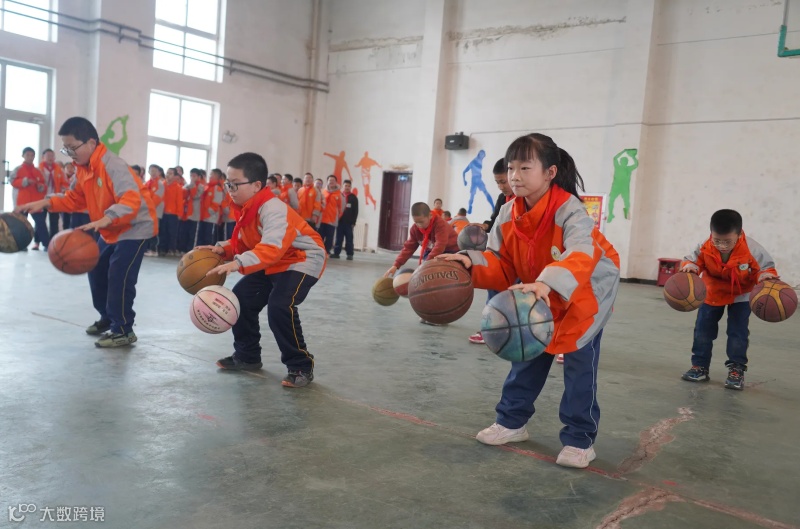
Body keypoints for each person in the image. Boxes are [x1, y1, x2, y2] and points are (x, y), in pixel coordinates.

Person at [440, 133, 620, 468]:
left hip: (587, 290)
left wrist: (547, 282)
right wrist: (470, 261)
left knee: (579, 366)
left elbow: (580, 253)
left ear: (550, 172)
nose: (515, 176)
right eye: (511, 168)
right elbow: (500, 261)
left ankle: (580, 440)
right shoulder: (508, 212)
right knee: (527, 353)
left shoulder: (571, 210)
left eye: (525, 167)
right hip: (540, 287)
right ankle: (511, 422)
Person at [16, 117, 157, 347]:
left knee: (119, 276)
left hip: (134, 227)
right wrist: (46, 202)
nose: (69, 153)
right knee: (96, 268)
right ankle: (108, 317)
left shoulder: (113, 165)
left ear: (91, 143)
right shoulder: (83, 169)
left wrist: (107, 217)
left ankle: (123, 329)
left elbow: (131, 198)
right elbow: (74, 198)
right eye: (66, 149)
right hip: (109, 227)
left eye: (72, 147)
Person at [199, 152, 326, 388]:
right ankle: (247, 356)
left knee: (280, 305)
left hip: (302, 258)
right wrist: (223, 250)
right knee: (240, 299)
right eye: (227, 184)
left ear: (257, 185)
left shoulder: (273, 208)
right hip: (274, 260)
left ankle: (300, 365)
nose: (229, 190)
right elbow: (248, 242)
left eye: (235, 184)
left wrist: (238, 263)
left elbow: (271, 247)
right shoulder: (246, 206)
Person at [679, 209, 777, 390]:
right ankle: (699, 366)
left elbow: (765, 268)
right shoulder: (705, 245)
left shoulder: (753, 249)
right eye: (717, 240)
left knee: (737, 332)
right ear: (711, 233)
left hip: (741, 294)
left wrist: (765, 276)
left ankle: (736, 370)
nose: (722, 246)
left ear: (739, 235)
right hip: (712, 291)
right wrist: (690, 267)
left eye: (727, 241)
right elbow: (691, 260)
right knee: (703, 330)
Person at [384, 202, 459, 325]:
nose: (419, 225)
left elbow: (440, 246)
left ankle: (440, 316)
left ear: (430, 215)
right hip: (431, 252)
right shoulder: (415, 229)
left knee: (439, 284)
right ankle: (428, 313)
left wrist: (426, 265)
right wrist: (396, 265)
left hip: (450, 252)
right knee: (425, 284)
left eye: (421, 221)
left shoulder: (440, 224)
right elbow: (408, 248)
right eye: (416, 222)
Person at [470, 158, 515, 345]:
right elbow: (495, 220)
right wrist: (485, 226)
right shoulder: (503, 199)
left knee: (519, 300)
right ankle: (489, 330)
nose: (501, 186)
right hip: (502, 256)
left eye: (503, 182)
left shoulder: (527, 200)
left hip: (521, 260)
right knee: (494, 292)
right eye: (497, 182)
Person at [11, 147, 49, 250]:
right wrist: (25, 181)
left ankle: (47, 245)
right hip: (22, 202)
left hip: (36, 203)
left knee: (41, 224)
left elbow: (44, 185)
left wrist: (41, 187)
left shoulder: (38, 171)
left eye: (32, 155)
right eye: (27, 155)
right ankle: (22, 245)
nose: (30, 157)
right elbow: (12, 182)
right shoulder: (18, 169)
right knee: (21, 225)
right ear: (23, 156)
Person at [39, 148, 69, 240]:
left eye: (52, 156)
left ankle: (53, 240)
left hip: (54, 198)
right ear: (43, 157)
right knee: (40, 221)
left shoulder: (59, 169)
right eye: (48, 156)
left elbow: (65, 182)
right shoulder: (39, 169)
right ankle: (38, 241)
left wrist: (64, 189)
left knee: (54, 221)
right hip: (41, 198)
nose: (50, 158)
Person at [331, 179, 358, 260]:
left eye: (349, 186)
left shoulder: (353, 198)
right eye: (346, 185)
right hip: (340, 221)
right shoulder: (339, 196)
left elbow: (355, 211)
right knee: (338, 238)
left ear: (351, 187)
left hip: (349, 223)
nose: (347, 187)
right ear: (343, 186)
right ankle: (336, 253)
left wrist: (353, 222)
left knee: (349, 238)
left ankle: (350, 254)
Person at [198, 169, 225, 246]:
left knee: (209, 238)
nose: (210, 176)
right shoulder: (208, 186)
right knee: (202, 237)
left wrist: (210, 211)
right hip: (204, 216)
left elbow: (217, 202)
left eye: (212, 174)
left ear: (217, 176)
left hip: (211, 218)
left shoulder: (217, 188)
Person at [160, 168, 183, 256]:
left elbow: (179, 202)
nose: (168, 175)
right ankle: (162, 249)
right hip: (162, 213)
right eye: (167, 173)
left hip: (173, 214)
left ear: (175, 176)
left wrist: (179, 213)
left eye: (170, 173)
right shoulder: (162, 185)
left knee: (172, 233)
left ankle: (171, 249)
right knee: (163, 232)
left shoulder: (178, 187)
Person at [319, 175, 344, 254]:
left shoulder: (339, 194)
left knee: (329, 237)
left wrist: (337, 217)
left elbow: (341, 208)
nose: (331, 182)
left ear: (336, 182)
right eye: (330, 180)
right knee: (320, 236)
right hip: (321, 219)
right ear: (327, 182)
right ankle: (320, 251)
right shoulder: (322, 192)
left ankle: (327, 251)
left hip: (331, 220)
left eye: (333, 180)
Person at [144, 164, 165, 257]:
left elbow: (157, 198)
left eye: (155, 171)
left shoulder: (160, 184)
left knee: (154, 230)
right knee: (147, 229)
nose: (153, 173)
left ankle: (154, 249)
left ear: (159, 172)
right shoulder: (147, 183)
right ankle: (148, 248)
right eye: (151, 170)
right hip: (147, 210)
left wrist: (148, 206)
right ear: (149, 172)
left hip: (155, 211)